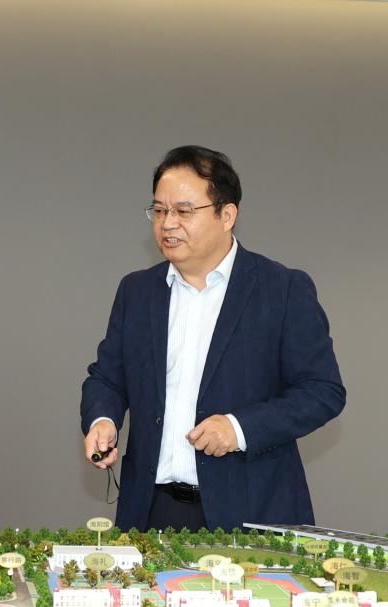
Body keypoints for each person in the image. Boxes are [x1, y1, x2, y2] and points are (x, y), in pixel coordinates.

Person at [81, 145, 345, 531]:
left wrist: (239, 429)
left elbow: (322, 391)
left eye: (184, 211)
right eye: (159, 210)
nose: (168, 224)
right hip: (152, 510)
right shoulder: (137, 291)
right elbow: (107, 377)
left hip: (251, 510)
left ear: (226, 215)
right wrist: (103, 419)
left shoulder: (282, 289)